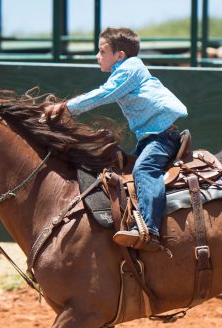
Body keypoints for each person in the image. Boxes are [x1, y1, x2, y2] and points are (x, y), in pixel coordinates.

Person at [42, 27, 187, 251]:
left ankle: (150, 231)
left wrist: (65, 108)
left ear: (119, 55)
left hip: (161, 137)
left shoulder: (130, 68)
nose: (97, 56)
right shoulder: (126, 70)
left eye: (102, 51)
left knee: (144, 170)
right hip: (152, 137)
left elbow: (103, 94)